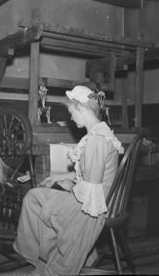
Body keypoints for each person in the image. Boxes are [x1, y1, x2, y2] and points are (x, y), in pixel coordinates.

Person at [11, 85, 124, 275]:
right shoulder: (97, 134)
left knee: (41, 202)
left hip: (94, 207)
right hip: (92, 197)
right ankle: (40, 256)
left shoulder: (96, 140)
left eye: (72, 112)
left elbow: (91, 188)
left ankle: (52, 258)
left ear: (81, 108)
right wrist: (60, 177)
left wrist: (70, 186)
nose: (71, 118)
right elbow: (90, 174)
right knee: (34, 197)